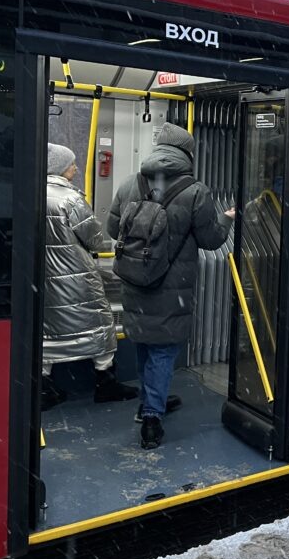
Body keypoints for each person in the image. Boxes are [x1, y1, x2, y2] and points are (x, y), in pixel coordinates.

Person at [108, 124, 234, 449]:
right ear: (187, 153)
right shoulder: (196, 191)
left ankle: (146, 406)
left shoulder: (129, 184)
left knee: (144, 345)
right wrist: (228, 218)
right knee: (163, 351)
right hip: (172, 287)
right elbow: (211, 239)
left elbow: (112, 228)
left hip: (136, 282)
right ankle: (152, 418)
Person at [42, 143, 137, 410]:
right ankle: (105, 383)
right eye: (71, 163)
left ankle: (43, 387)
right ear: (61, 167)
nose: (75, 167)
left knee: (45, 329)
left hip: (44, 277)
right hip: (76, 276)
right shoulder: (70, 199)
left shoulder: (32, 193)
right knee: (100, 325)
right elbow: (95, 239)